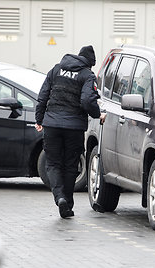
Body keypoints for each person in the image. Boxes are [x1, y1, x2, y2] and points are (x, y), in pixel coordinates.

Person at [35, 45, 106, 219]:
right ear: (90, 63)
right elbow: (87, 101)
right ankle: (68, 203)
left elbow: (43, 95)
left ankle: (59, 198)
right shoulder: (87, 75)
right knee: (70, 165)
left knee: (53, 164)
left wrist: (39, 119)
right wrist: (98, 115)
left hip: (51, 124)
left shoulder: (56, 69)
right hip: (73, 127)